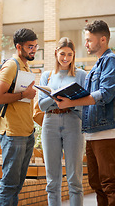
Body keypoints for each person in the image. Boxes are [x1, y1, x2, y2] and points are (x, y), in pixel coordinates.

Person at [56, 20, 115, 206]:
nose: (85, 44)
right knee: (96, 184)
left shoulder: (112, 61)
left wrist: (71, 101)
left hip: (107, 130)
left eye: (88, 40)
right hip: (92, 131)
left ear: (102, 39)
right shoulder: (96, 66)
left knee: (110, 183)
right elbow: (88, 97)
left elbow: (105, 94)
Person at [38, 37, 87, 206]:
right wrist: (58, 98)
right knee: (52, 180)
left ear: (74, 56)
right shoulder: (47, 76)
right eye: (62, 54)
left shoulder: (81, 75)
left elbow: (85, 104)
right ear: (56, 54)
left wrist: (70, 102)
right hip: (50, 123)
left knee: (75, 179)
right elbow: (42, 105)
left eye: (69, 55)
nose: (65, 58)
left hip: (73, 123)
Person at [0, 28, 38, 206]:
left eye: (35, 46)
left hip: (26, 132)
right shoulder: (12, 65)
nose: (33, 50)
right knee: (10, 185)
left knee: (17, 185)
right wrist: (23, 94)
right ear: (19, 47)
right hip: (13, 134)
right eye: (29, 46)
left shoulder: (25, 65)